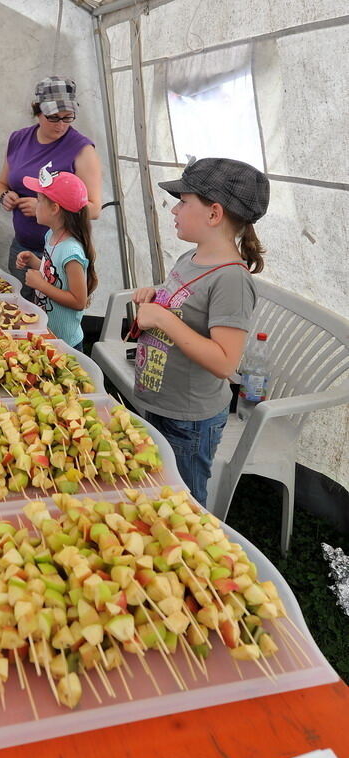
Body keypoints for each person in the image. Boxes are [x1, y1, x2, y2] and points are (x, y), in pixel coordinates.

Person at [131, 157, 269, 505]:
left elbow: (225, 362)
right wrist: (155, 299)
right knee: (158, 488)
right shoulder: (189, 259)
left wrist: (163, 320)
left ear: (213, 214)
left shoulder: (231, 279)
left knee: (184, 501)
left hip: (189, 420)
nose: (174, 209)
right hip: (164, 401)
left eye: (183, 201)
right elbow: (184, 309)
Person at [0, 76, 102, 301]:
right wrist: (5, 196)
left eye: (68, 117)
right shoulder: (19, 139)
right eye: (53, 117)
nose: (61, 125)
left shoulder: (82, 149)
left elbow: (94, 208)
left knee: (54, 314)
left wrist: (44, 207)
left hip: (60, 253)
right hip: (23, 247)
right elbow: (1, 183)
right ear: (37, 111)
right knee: (23, 309)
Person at [15, 166, 97, 350]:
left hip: (65, 343)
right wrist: (34, 262)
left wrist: (40, 285)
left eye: (39, 200)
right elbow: (55, 272)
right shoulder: (50, 236)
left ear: (54, 208)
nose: (36, 205)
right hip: (48, 333)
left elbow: (78, 301)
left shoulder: (71, 251)